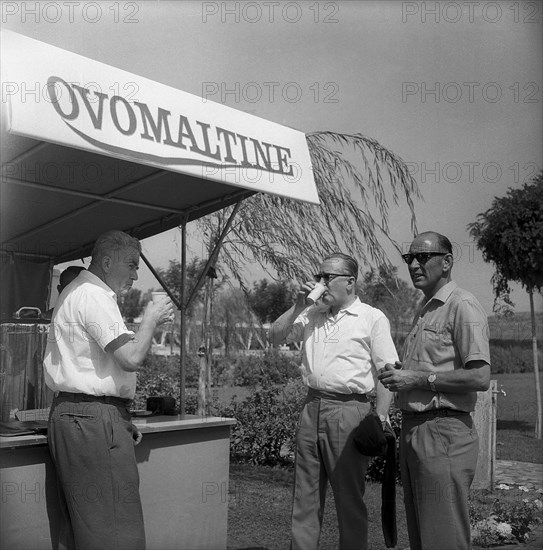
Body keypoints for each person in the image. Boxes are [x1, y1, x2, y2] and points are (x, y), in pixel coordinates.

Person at [44, 230, 174, 550]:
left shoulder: (76, 293)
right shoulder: (94, 296)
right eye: (131, 265)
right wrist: (151, 319)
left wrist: (118, 418)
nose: (135, 274)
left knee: (86, 526)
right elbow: (129, 358)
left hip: (79, 415)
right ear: (106, 262)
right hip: (92, 419)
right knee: (115, 529)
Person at [271, 253, 397, 550]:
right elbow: (275, 336)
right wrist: (299, 304)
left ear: (350, 282)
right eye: (319, 276)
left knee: (349, 498)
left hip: (349, 411)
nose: (320, 283)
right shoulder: (311, 314)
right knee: (305, 496)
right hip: (312, 407)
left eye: (327, 277)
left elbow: (389, 371)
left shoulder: (371, 318)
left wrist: (378, 417)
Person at [378, 232, 490, 550]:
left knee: (443, 537)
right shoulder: (426, 309)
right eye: (409, 258)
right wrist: (399, 375)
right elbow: (425, 367)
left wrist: (417, 380)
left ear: (447, 261)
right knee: (423, 537)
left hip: (444, 431)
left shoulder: (463, 306)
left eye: (423, 257)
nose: (414, 264)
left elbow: (480, 376)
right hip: (416, 430)